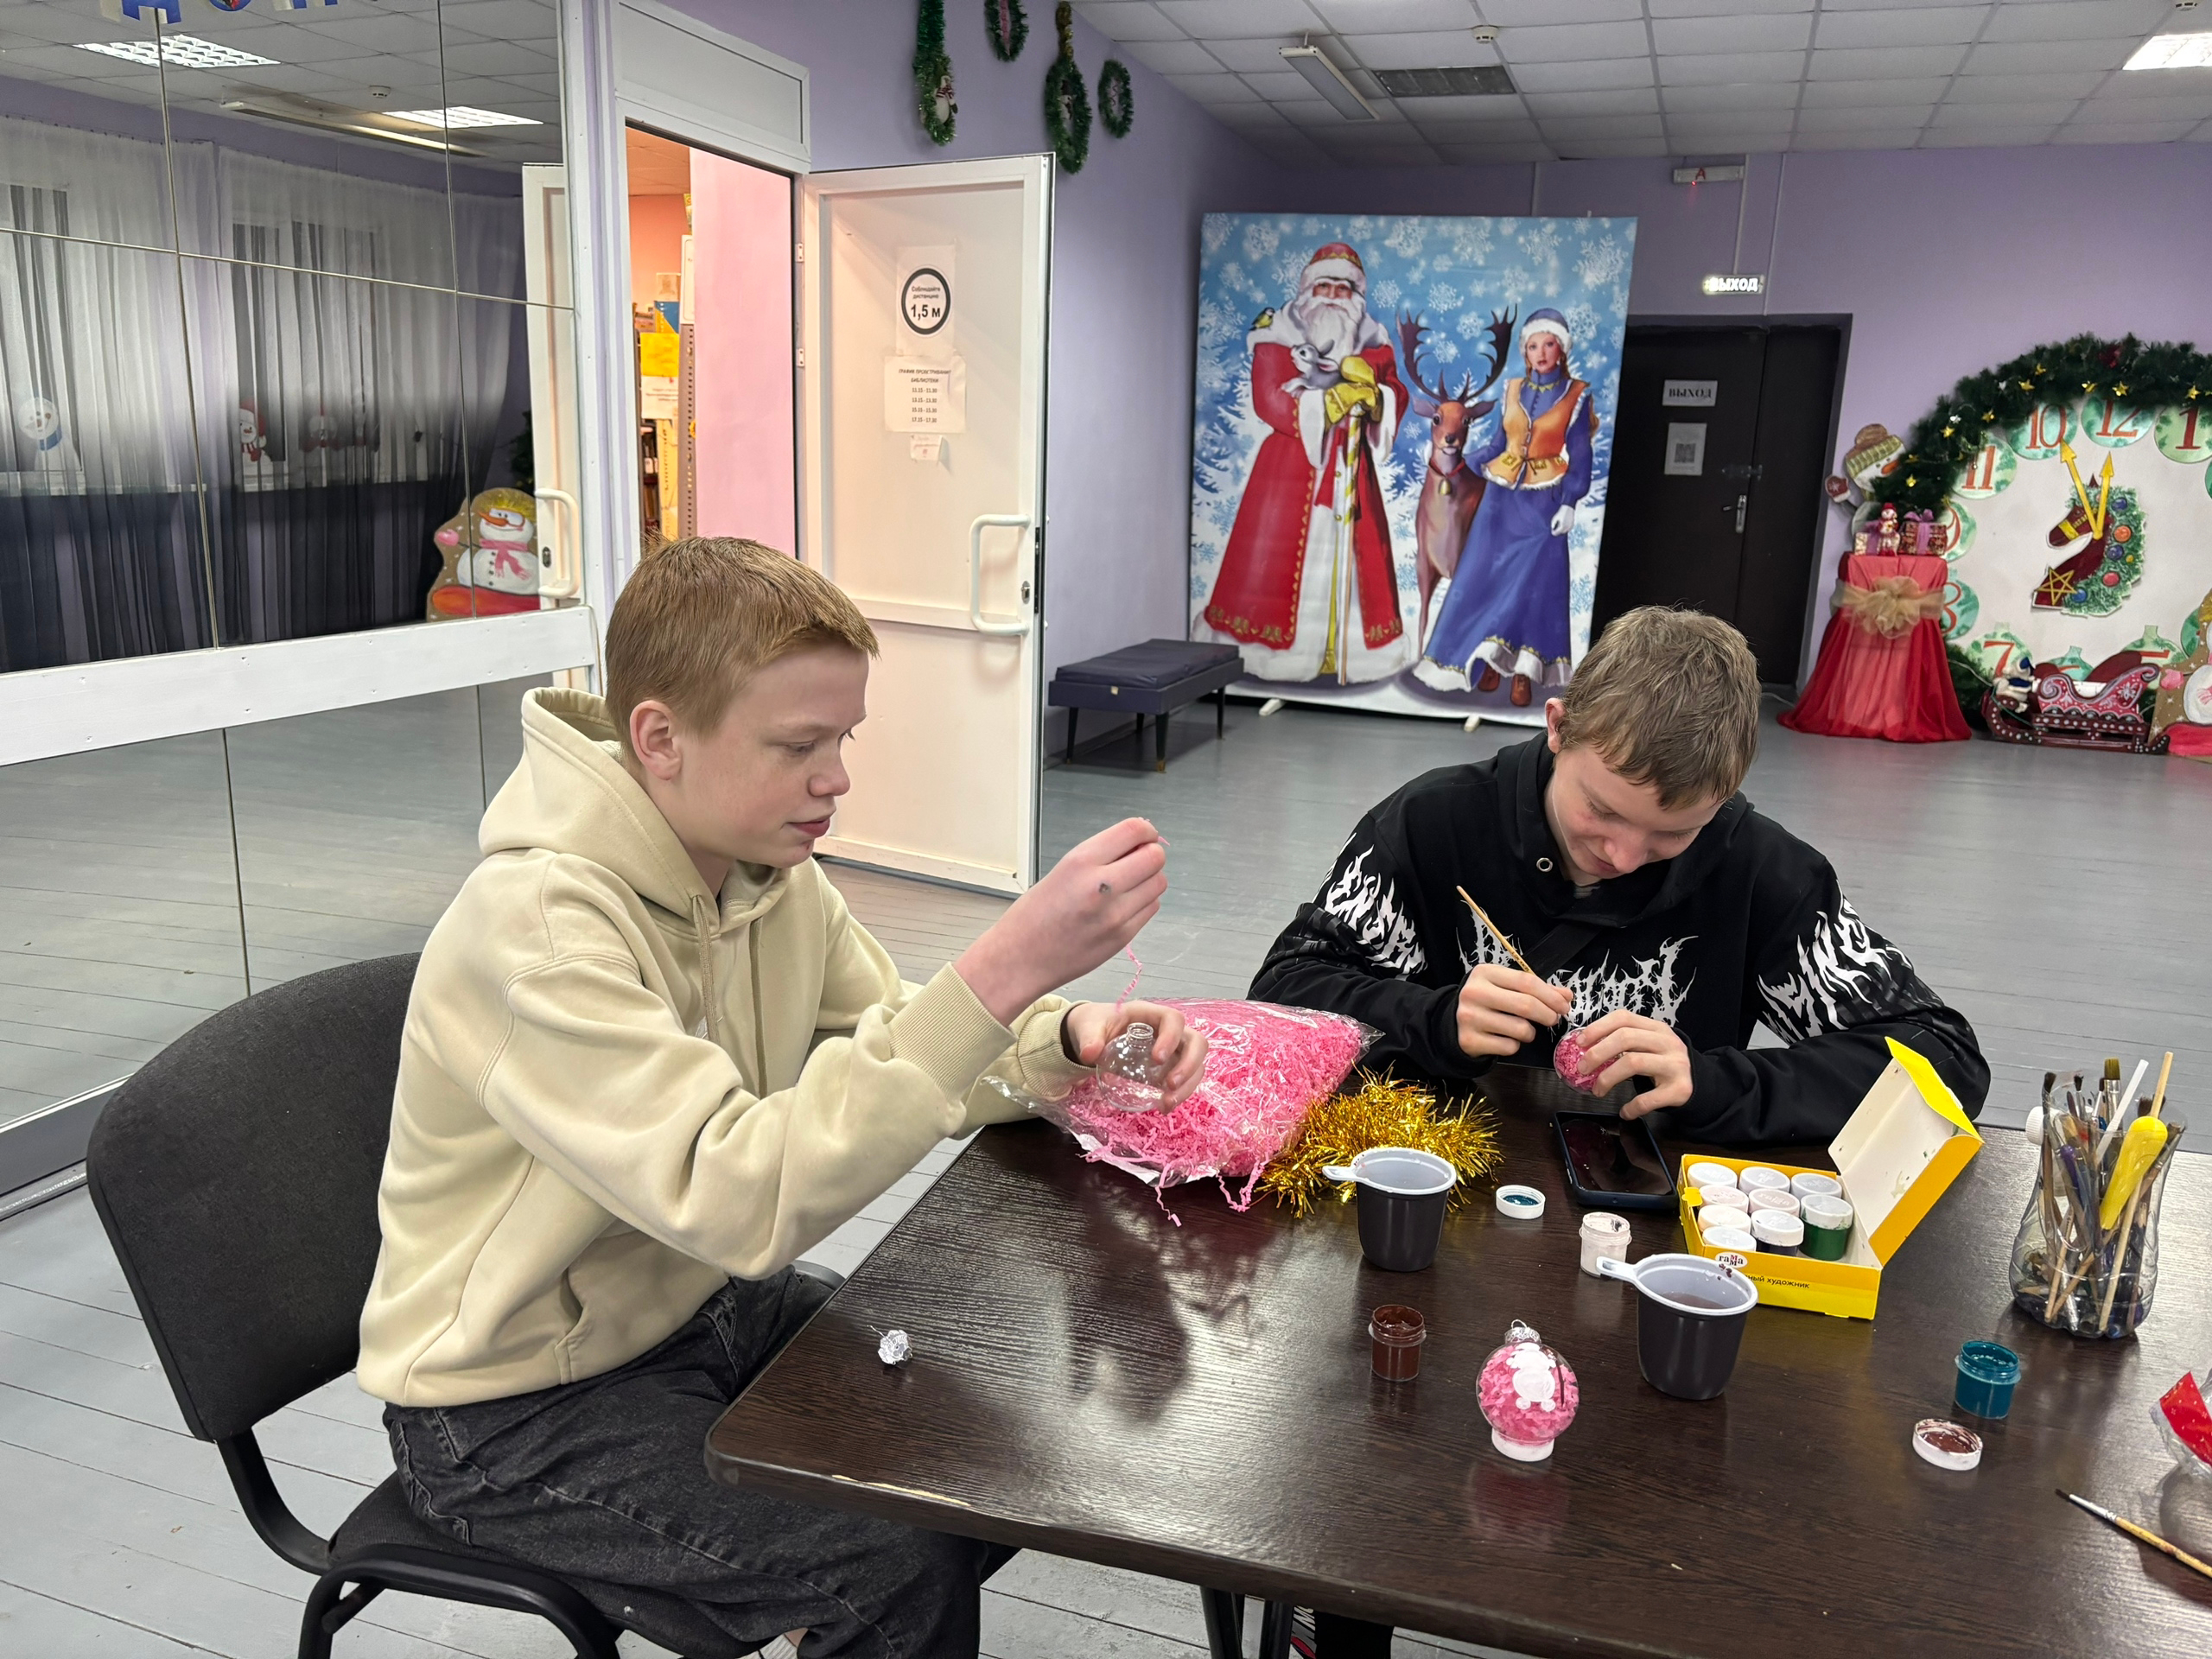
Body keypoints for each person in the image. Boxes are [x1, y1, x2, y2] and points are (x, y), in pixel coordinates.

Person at [359, 537, 1207, 1658]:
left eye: (842, 739)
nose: (836, 777)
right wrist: (1007, 966)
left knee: (976, 1451)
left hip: (693, 1313)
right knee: (891, 1564)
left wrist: (1065, 1038)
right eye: (799, 745)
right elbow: (738, 1200)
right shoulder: (538, 932)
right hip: (509, 1406)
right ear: (660, 738)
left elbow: (897, 1034)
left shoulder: (764, 877)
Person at [1254, 606, 1988, 1146]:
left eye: (1675, 833)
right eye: (1601, 811)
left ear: (1726, 795)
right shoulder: (1432, 822)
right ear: (1556, 727)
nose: (1625, 858)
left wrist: (1714, 1081)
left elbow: (1945, 1059)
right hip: (1431, 1184)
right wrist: (1436, 1020)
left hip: (1651, 1222)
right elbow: (1283, 991)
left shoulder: (1762, 870)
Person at [1199, 241, 1410, 684]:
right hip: (1287, 473)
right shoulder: (1278, 332)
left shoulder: (1373, 340)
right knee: (1272, 561)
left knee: (1358, 555)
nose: (1333, 296)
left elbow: (1395, 388)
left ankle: (1347, 655)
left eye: (1343, 288)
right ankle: (1274, 654)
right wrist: (1330, 402)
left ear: (1356, 296)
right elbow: (1269, 398)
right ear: (1308, 289)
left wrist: (1375, 398)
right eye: (1324, 286)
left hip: (1351, 467)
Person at [1414, 308, 1597, 709]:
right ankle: (1487, 659)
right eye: (1533, 345)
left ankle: (1522, 672)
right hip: (1500, 503)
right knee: (1484, 580)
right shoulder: (1512, 390)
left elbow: (1581, 455)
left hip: (1543, 503)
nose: (1541, 353)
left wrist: (1569, 502)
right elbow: (1498, 446)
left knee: (1532, 587)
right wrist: (1459, 462)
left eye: (1549, 344)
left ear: (1561, 349)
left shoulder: (1576, 396)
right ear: (1525, 351)